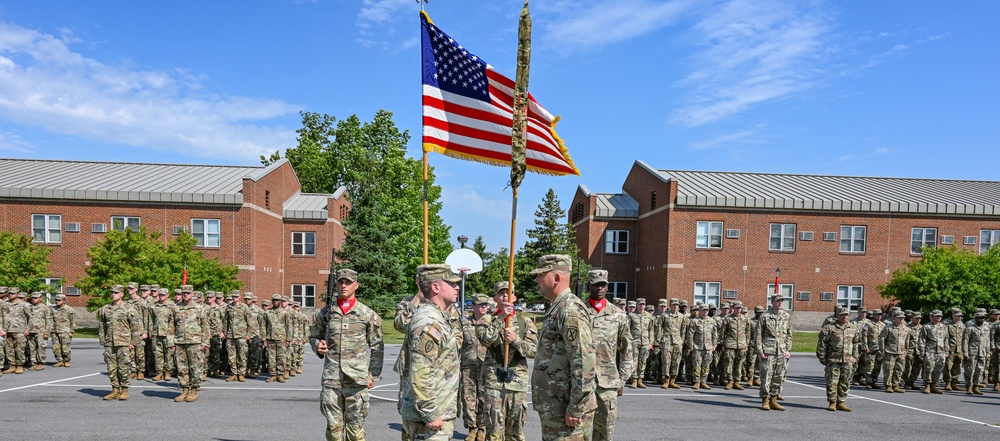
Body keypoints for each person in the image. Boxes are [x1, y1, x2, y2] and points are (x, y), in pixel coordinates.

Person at [311, 269, 385, 441]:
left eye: (348, 282)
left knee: (355, 429)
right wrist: (317, 345)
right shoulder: (326, 313)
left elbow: (377, 346)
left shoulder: (367, 314)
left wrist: (372, 375)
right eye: (340, 282)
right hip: (332, 379)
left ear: (356, 285)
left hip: (356, 379)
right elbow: (314, 336)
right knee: (333, 429)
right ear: (336, 284)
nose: (344, 286)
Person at [529, 254, 596, 440]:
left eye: (541, 275)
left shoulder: (570, 310)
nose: (537, 280)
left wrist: (576, 407)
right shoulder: (557, 308)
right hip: (555, 407)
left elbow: (584, 363)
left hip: (566, 411)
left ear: (557, 278)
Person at [398, 264, 462, 441]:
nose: (457, 287)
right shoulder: (429, 320)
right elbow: (421, 371)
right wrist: (430, 413)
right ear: (435, 287)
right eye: (452, 283)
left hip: (437, 411)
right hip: (428, 420)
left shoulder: (439, 317)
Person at [478, 282, 536, 441]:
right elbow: (484, 340)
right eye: (501, 293)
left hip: (517, 383)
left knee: (515, 433)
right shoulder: (486, 320)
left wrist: (516, 340)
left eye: (509, 293)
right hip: (493, 383)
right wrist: (501, 318)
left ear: (515, 297)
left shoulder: (526, 322)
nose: (505, 296)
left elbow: (534, 350)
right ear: (495, 298)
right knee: (494, 432)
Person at [584, 269, 632, 441]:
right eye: (595, 284)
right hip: (581, 382)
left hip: (608, 383)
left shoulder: (618, 315)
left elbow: (627, 349)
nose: (599, 288)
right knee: (578, 432)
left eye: (603, 285)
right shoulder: (578, 312)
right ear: (589, 285)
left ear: (607, 287)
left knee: (605, 432)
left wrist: (623, 379)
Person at [97, 285, 142, 400]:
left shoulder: (129, 308)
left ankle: (125, 390)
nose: (113, 294)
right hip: (110, 343)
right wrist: (103, 340)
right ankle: (115, 390)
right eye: (112, 292)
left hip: (124, 343)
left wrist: (134, 342)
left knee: (123, 367)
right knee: (111, 368)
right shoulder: (105, 309)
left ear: (122, 294)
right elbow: (102, 326)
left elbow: (136, 327)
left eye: (116, 293)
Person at [816, 306, 860, 411]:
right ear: (837, 315)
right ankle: (832, 402)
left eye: (846, 314)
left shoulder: (853, 328)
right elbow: (822, 344)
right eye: (842, 314)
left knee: (845, 382)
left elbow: (856, 344)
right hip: (833, 360)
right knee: (832, 382)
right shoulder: (829, 328)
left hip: (848, 360)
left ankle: (841, 402)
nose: (845, 316)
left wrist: (855, 358)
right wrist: (822, 358)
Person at [171, 285, 209, 402]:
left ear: (192, 294)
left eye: (188, 293)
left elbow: (205, 326)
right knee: (182, 368)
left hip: (195, 342)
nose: (185, 295)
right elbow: (171, 326)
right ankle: (185, 390)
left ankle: (194, 390)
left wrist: (205, 342)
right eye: (184, 293)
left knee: (195, 367)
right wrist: (171, 342)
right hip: (180, 342)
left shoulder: (199, 308)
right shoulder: (175, 308)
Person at [460, 294, 490, 441]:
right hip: (467, 367)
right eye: (480, 304)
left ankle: (482, 428)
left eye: (486, 304)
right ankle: (472, 428)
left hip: (486, 366)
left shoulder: (492, 322)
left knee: (484, 398)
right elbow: (457, 345)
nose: (484, 306)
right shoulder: (464, 323)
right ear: (473, 306)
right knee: (468, 398)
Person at [756, 294, 792, 411]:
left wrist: (788, 349)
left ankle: (774, 400)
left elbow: (789, 334)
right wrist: (760, 350)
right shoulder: (765, 316)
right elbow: (758, 335)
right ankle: (765, 400)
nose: (780, 303)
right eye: (777, 301)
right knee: (766, 376)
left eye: (781, 301)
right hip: (768, 351)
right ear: (772, 302)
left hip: (781, 351)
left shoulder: (786, 316)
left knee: (778, 377)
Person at [656, 298, 684, 389]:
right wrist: (659, 340)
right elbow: (659, 328)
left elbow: (683, 330)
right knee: (666, 361)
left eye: (677, 305)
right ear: (670, 306)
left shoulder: (681, 316)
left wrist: (682, 341)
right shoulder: (664, 316)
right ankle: (666, 380)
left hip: (677, 341)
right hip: (667, 341)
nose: (675, 306)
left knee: (676, 361)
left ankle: (673, 380)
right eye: (673, 305)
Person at [722, 301, 750, 390]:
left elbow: (748, 333)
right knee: (729, 363)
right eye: (737, 308)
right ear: (733, 309)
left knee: (739, 364)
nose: (738, 310)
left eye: (740, 308)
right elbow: (723, 332)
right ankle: (730, 381)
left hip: (741, 344)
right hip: (730, 344)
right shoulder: (728, 319)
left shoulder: (745, 319)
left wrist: (746, 344)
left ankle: (737, 381)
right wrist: (723, 344)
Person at [224, 292, 253, 382]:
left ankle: (241, 374)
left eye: (236, 296)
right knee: (231, 356)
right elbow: (225, 321)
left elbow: (249, 322)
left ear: (239, 297)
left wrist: (248, 334)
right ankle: (234, 374)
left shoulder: (244, 307)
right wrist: (225, 333)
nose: (234, 298)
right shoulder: (228, 307)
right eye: (233, 296)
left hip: (241, 335)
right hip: (230, 335)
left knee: (242, 355)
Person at [686, 304, 716, 390]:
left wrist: (714, 345)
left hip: (708, 347)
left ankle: (703, 381)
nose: (706, 312)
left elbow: (714, 334)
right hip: (697, 347)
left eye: (707, 310)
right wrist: (691, 346)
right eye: (704, 310)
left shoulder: (711, 321)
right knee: (697, 365)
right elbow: (690, 335)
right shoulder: (695, 321)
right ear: (700, 311)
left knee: (706, 365)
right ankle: (696, 382)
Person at [880, 310, 910, 393]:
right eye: (899, 318)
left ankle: (896, 385)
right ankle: (888, 385)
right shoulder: (888, 327)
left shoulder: (906, 328)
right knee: (888, 369)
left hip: (901, 353)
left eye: (902, 318)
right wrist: (883, 350)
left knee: (899, 370)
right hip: (890, 351)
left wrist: (906, 351)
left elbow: (907, 341)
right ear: (894, 318)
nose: (901, 319)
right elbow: (882, 339)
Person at [918, 309, 948, 394]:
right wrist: (922, 350)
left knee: (938, 369)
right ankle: (927, 385)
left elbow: (946, 339)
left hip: (940, 351)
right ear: (932, 316)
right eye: (937, 316)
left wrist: (946, 350)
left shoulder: (944, 327)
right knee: (928, 368)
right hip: (930, 350)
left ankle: (934, 385)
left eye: (940, 316)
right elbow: (922, 339)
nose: (939, 317)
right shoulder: (927, 326)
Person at [150, 288, 176, 381]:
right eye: (160, 295)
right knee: (157, 354)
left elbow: (176, 321)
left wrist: (175, 334)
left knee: (169, 354)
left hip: (169, 334)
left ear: (168, 295)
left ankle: (168, 373)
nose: (161, 296)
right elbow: (151, 320)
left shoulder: (173, 306)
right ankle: (159, 373)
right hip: (156, 333)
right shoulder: (154, 306)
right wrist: (151, 332)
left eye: (163, 295)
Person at [264, 294, 291, 383]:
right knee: (271, 358)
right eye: (274, 300)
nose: (275, 301)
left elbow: (288, 326)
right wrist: (264, 338)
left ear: (280, 301)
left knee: (281, 357)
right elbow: (264, 326)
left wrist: (288, 339)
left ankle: (280, 375)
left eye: (277, 300)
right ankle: (273, 375)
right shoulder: (268, 312)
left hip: (281, 338)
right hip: (270, 338)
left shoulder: (285, 312)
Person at [3, 289, 31, 374]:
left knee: (19, 349)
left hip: (20, 330)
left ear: (17, 294)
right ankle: (12, 365)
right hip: (7, 330)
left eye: (12, 293)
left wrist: (28, 329)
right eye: (9, 293)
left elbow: (30, 318)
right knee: (9, 349)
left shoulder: (24, 305)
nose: (10, 295)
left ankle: (20, 366)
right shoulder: (5, 304)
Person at [963, 310, 991, 395]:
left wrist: (988, 353)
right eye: (980, 318)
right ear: (975, 318)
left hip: (982, 353)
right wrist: (966, 353)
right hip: (972, 352)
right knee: (970, 370)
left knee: (980, 370)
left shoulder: (986, 328)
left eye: (983, 318)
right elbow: (965, 341)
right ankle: (969, 387)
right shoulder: (970, 328)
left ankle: (976, 386)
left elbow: (988, 341)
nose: (982, 319)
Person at [628, 297, 653, 388]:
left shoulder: (649, 316)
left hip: (645, 342)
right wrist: (629, 341)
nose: (642, 306)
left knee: (643, 361)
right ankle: (634, 379)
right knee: (634, 361)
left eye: (643, 304)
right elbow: (628, 329)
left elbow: (651, 330)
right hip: (634, 341)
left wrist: (651, 342)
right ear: (637, 305)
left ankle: (640, 379)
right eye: (640, 304)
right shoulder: (631, 315)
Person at [27, 292, 52, 370]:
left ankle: (41, 363)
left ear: (40, 298)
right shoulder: (29, 307)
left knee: (41, 348)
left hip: (41, 331)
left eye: (36, 298)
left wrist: (47, 332)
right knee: (32, 348)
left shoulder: (45, 308)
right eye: (33, 298)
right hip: (31, 331)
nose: (34, 299)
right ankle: (34, 363)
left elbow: (48, 321)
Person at [50, 293, 76, 367]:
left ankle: (66, 360)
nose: (57, 301)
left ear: (64, 301)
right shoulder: (53, 309)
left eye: (59, 300)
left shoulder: (69, 310)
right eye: (56, 300)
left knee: (65, 347)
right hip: (55, 331)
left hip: (65, 331)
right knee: (55, 347)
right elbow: (51, 320)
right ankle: (60, 360)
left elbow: (73, 321)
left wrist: (71, 331)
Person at [943, 308, 966, 391]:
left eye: (960, 316)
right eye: (957, 316)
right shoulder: (946, 324)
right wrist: (945, 349)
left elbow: (964, 338)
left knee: (957, 366)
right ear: (952, 315)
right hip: (950, 349)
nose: (959, 318)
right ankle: (947, 383)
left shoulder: (962, 325)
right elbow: (944, 338)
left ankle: (954, 383)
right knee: (948, 366)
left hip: (959, 349)